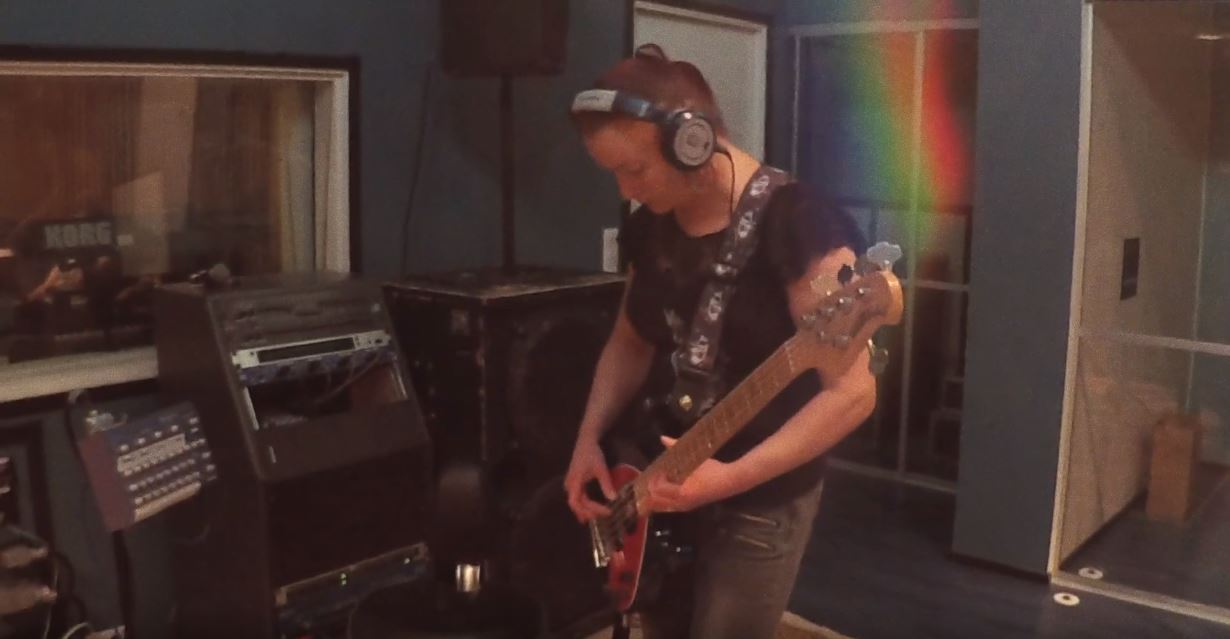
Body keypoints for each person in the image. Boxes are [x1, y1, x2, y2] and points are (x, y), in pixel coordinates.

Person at [562, 45, 878, 639]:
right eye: (614, 174)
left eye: (635, 169)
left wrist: (727, 479)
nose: (627, 189)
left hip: (760, 496)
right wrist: (587, 440)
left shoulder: (802, 223)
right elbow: (630, 342)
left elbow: (852, 394)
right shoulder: (650, 225)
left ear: (693, 143)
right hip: (657, 476)